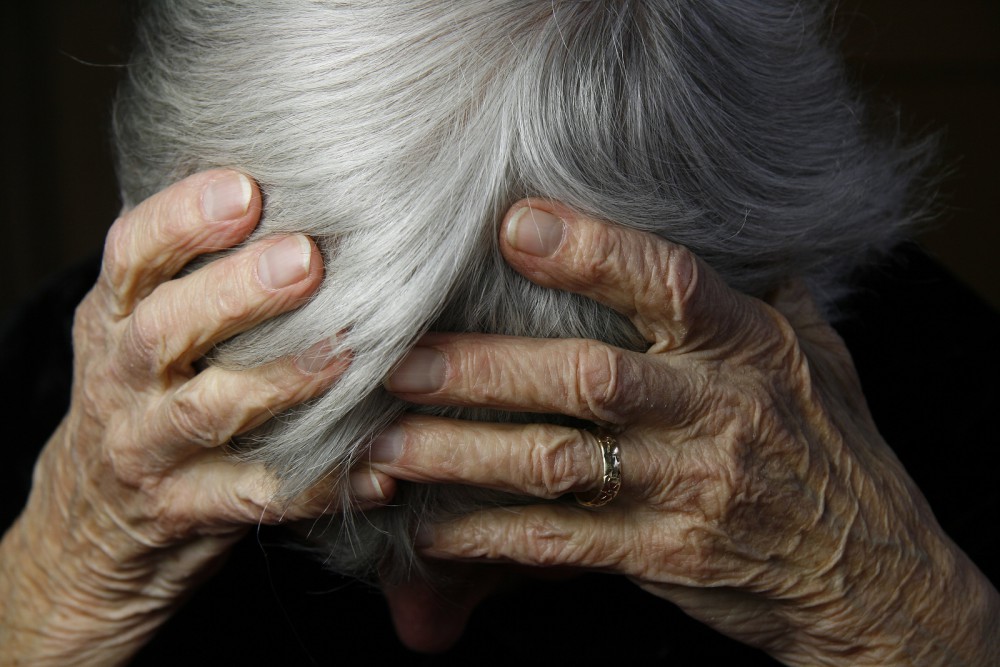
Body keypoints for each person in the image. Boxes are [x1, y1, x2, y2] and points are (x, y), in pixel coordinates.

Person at [1, 1, 998, 665]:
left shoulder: (937, 406)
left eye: (536, 547)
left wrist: (919, 631)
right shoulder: (87, 415)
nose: (420, 630)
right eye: (312, 524)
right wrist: (48, 607)